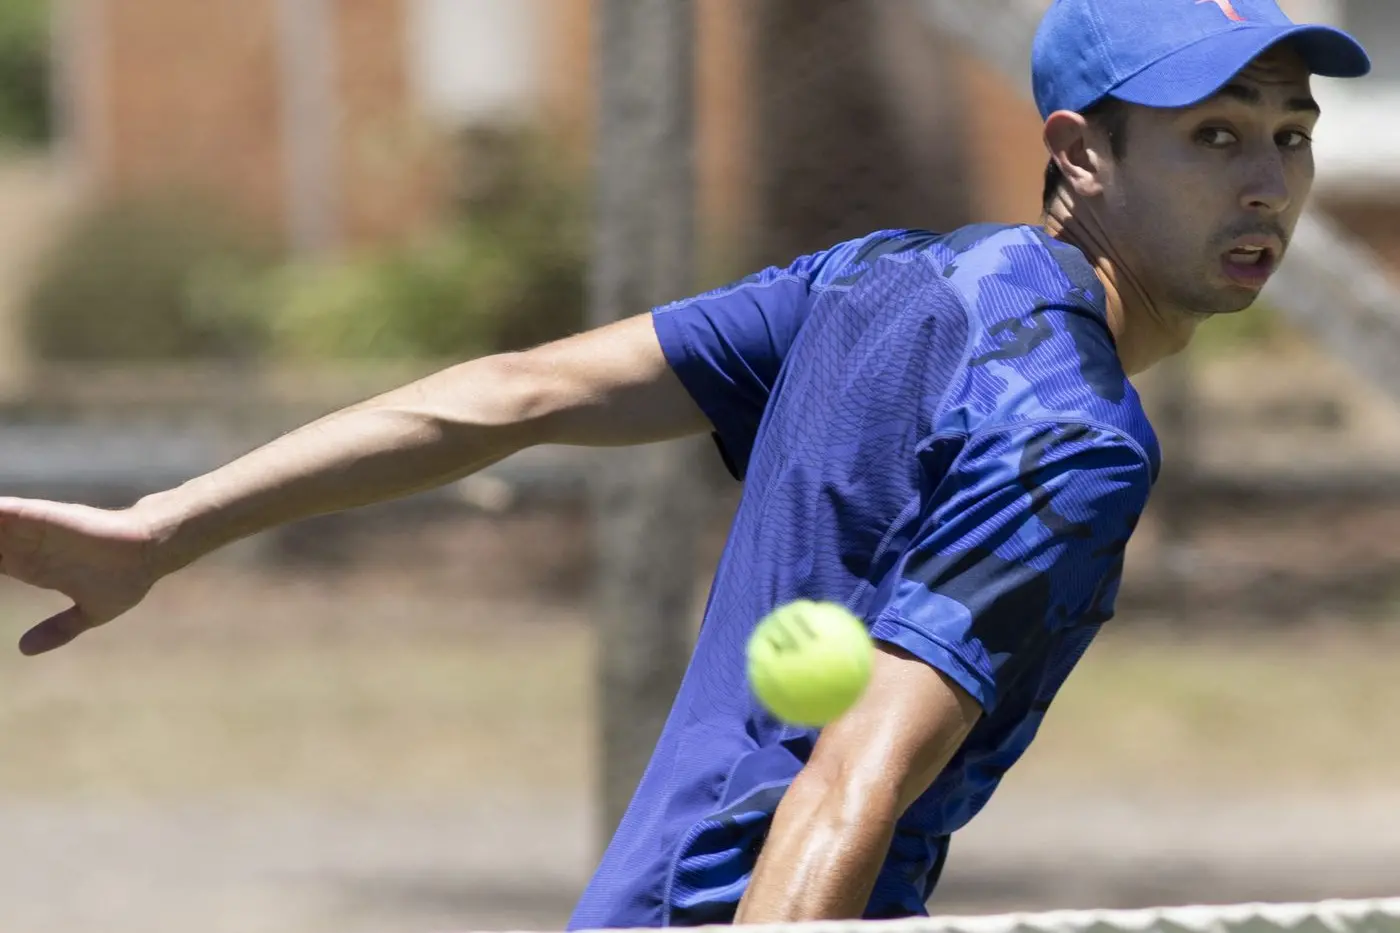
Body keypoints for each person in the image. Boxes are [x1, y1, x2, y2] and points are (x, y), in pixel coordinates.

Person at [0, 0, 1370, 926]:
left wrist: (166, 527)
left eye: (1290, 137)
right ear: (1079, 154)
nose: (1267, 185)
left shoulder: (893, 278)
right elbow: (853, 781)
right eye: (1214, 137)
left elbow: (513, 395)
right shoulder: (1073, 444)